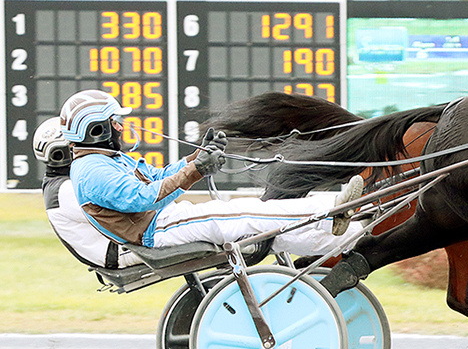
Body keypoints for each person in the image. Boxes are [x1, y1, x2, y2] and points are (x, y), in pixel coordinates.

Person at [58, 89, 364, 258]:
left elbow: (159, 175)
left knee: (263, 232)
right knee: (246, 213)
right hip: (158, 231)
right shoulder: (91, 170)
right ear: (96, 130)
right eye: (114, 122)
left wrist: (197, 157)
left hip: (165, 221)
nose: (120, 127)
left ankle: (348, 240)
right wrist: (195, 171)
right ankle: (328, 212)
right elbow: (144, 198)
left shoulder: (105, 160)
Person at [34, 117, 145, 268]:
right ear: (66, 152)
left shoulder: (60, 183)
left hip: (119, 246)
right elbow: (123, 210)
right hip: (119, 251)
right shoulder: (64, 190)